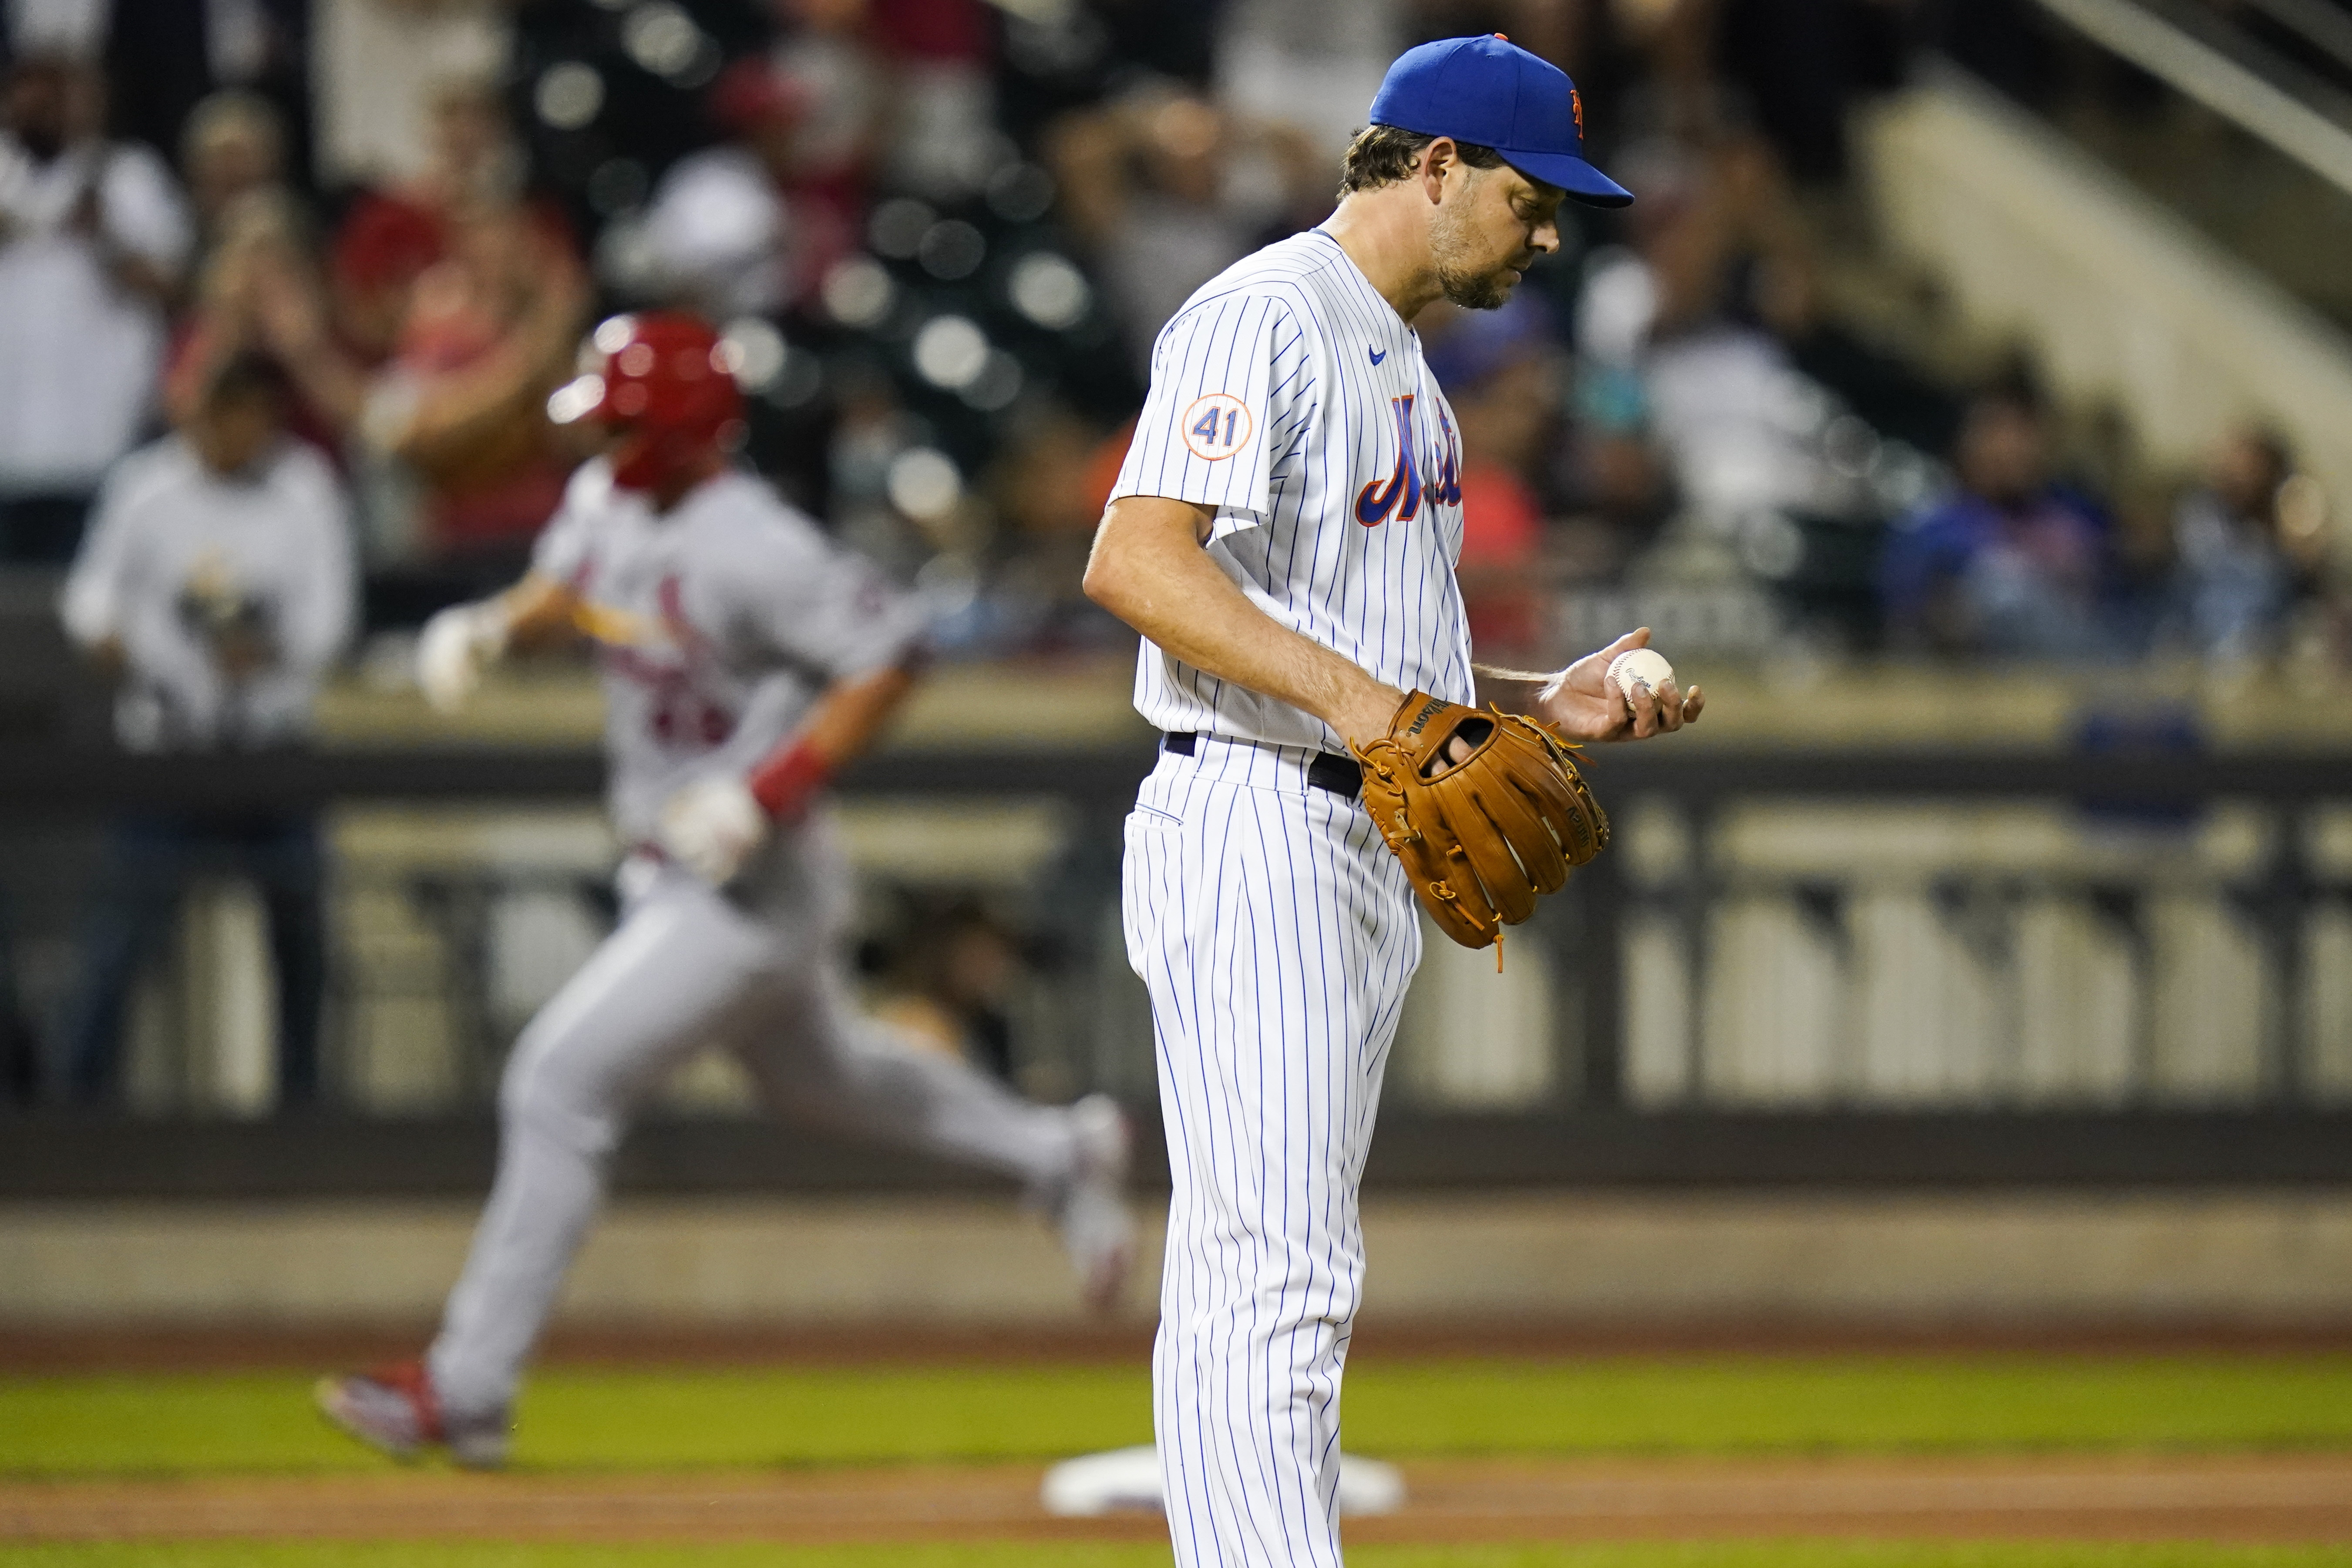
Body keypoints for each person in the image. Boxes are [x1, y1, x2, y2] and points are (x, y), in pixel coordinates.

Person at [1080, 37, 1700, 1567]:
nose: (1546, 232)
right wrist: (1380, 712)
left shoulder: (1408, 369)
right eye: (1525, 193)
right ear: (1430, 165)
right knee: (1277, 1273)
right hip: (1254, 818)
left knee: (1274, 1268)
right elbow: (1136, 564)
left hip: (1342, 823)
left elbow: (1383, 656)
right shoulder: (1264, 314)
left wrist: (1526, 702)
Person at [316, 311, 1135, 1467]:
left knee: (557, 1081)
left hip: (753, 877)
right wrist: (494, 626)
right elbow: (571, 584)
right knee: (830, 1082)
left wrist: (768, 788)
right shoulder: (609, 499)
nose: (600, 436)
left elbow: (891, 653)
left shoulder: (754, 542)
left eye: (622, 419)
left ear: (681, 429)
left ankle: (465, 1386)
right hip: (678, 862)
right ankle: (1056, 1153)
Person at [56, 352, 355, 1105]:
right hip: (171, 747)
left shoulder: (304, 487)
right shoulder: (146, 486)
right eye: (219, 413)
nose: (232, 430)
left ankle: (305, 1108)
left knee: (304, 939)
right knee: (119, 942)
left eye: (248, 414)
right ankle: (75, 1115)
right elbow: (90, 591)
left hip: (271, 745)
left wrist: (271, 651)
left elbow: (330, 619)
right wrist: (105, 633)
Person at [0, 54, 192, 563]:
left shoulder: (129, 176)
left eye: (53, 96)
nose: (36, 108)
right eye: (25, 95)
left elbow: (174, 291)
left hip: (99, 440)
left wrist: (106, 238)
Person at [1879, 375, 2120, 660]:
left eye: (2024, 430)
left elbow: (2120, 604)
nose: (2012, 447)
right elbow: (1906, 628)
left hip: (2090, 674)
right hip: (1985, 682)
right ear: (1963, 441)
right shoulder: (1927, 531)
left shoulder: (2079, 515)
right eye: (1994, 429)